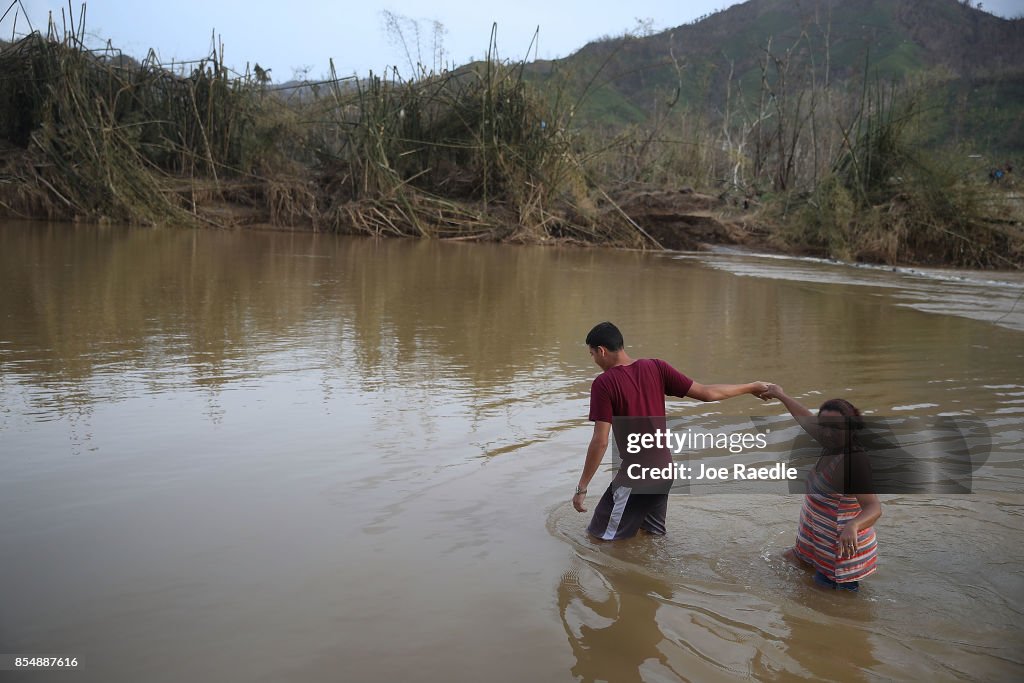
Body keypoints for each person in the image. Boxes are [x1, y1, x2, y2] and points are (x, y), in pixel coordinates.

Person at [574, 322, 769, 541]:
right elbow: (707, 393)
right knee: (652, 537)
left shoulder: (604, 384)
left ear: (602, 350)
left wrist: (582, 488)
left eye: (592, 354)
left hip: (637, 478)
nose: (594, 360)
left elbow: (600, 441)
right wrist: (751, 387)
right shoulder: (657, 367)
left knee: (598, 540)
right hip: (664, 472)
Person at [760, 383, 881, 592]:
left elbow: (873, 507)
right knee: (774, 567)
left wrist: (853, 525)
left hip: (839, 553)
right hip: (815, 540)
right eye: (824, 425)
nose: (827, 432)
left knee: (832, 610)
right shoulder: (828, 442)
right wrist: (781, 395)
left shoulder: (853, 460)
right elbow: (805, 418)